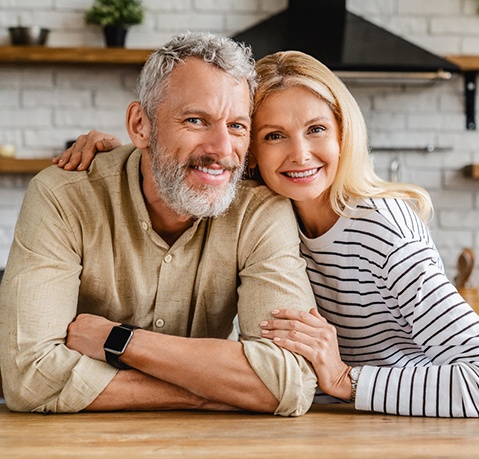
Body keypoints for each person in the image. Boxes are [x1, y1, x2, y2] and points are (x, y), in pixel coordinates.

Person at [56, 51, 479, 418]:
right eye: (274, 135)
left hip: (407, 431)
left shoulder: (383, 230)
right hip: (320, 425)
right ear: (250, 150)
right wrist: (124, 153)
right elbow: (192, 165)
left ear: (343, 133)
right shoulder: (264, 214)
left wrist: (343, 379)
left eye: (316, 129)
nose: (300, 154)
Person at [0, 33, 318, 416]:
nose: (221, 148)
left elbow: (290, 382)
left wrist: (119, 341)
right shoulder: (64, 196)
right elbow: (29, 378)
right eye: (196, 120)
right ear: (140, 125)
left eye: (236, 126)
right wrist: (207, 392)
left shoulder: (260, 211)